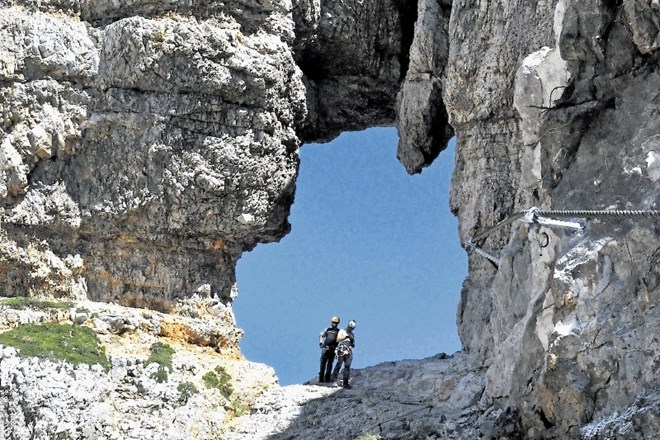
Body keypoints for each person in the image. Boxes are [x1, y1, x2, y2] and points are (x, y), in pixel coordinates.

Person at [332, 319, 356, 388]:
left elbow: (353, 345)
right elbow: (337, 339)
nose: (350, 328)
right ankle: (333, 379)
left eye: (352, 328)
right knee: (339, 364)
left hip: (348, 351)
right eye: (350, 327)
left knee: (347, 366)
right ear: (348, 325)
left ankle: (345, 383)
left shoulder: (352, 334)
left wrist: (351, 340)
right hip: (341, 349)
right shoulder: (342, 331)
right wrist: (345, 337)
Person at [319, 316, 340, 383]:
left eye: (336, 323)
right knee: (323, 363)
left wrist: (338, 348)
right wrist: (321, 343)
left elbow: (341, 340)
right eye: (333, 322)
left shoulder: (339, 331)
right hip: (325, 348)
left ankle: (327, 379)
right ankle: (321, 379)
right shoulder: (327, 329)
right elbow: (321, 335)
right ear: (331, 322)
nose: (334, 324)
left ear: (338, 323)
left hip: (333, 349)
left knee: (330, 364)